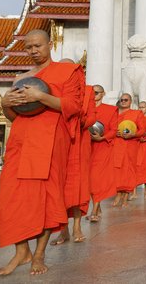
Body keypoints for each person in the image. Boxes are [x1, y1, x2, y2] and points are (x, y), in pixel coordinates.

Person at [0, 29, 82, 275]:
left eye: (38, 46)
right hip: (21, 142)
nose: (34, 51)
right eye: (29, 47)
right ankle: (22, 252)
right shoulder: (20, 80)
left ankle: (39, 254)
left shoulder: (68, 72)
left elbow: (73, 106)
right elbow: (15, 116)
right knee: (9, 198)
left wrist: (41, 96)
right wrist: (5, 105)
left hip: (50, 140)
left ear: (50, 44)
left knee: (46, 200)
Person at [52, 69, 95, 246]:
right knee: (58, 186)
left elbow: (92, 117)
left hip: (79, 142)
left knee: (77, 187)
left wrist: (80, 121)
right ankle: (63, 231)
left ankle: (76, 226)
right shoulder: (53, 91)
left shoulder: (87, 92)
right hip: (58, 141)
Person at [88, 85, 118, 222]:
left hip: (103, 146)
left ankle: (94, 210)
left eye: (97, 93)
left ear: (103, 93)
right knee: (89, 179)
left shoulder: (111, 110)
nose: (94, 95)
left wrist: (103, 137)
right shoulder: (85, 110)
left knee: (97, 178)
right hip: (87, 147)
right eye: (92, 93)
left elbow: (113, 129)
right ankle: (97, 206)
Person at [114, 93, 145, 207]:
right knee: (116, 169)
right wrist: (114, 132)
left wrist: (133, 134)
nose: (123, 101)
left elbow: (142, 131)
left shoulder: (137, 113)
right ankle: (118, 193)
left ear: (130, 101)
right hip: (117, 145)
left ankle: (126, 196)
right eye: (121, 100)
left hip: (130, 145)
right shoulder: (114, 113)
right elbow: (110, 127)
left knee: (128, 170)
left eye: (126, 100)